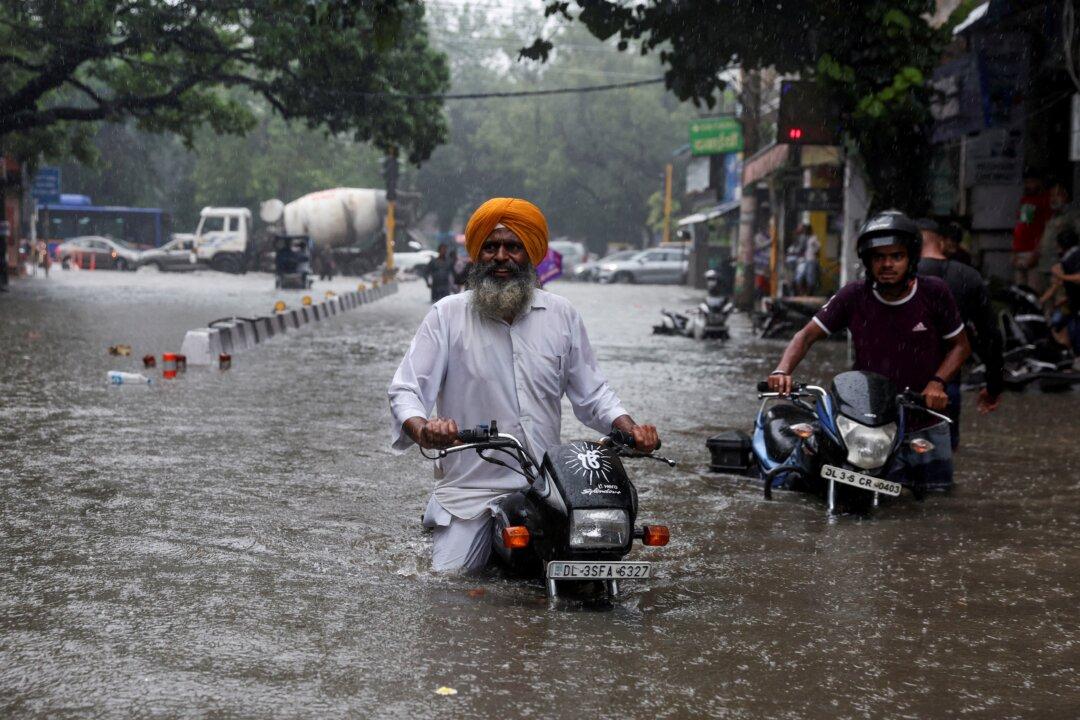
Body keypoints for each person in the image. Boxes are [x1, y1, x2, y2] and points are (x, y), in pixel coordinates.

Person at [388, 197, 660, 572]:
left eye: (513, 246)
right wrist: (424, 429)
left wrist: (631, 429)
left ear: (530, 254)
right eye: (491, 246)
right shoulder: (446, 315)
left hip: (550, 489)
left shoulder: (562, 315)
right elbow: (406, 390)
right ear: (476, 255)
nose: (502, 256)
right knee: (449, 584)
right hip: (471, 494)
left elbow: (593, 393)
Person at [766, 210, 971, 491]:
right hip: (867, 423)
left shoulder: (935, 293)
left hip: (922, 419)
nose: (887, 264)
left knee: (935, 504)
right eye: (879, 257)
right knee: (844, 494)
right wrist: (782, 370)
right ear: (868, 261)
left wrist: (937, 384)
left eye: (896, 256)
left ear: (911, 258)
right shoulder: (853, 295)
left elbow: (960, 346)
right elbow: (805, 336)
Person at [917, 218, 1003, 449]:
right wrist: (994, 385)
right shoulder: (968, 276)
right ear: (943, 243)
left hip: (898, 383)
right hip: (947, 383)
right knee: (943, 460)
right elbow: (991, 335)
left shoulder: (893, 277)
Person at [1040, 227, 1080, 355]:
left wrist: (1061, 276)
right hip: (1072, 304)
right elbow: (1057, 285)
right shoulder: (1067, 259)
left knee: (1073, 328)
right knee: (1058, 322)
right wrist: (1040, 300)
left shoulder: (1075, 257)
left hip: (1076, 305)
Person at [1013, 173, 1052, 291]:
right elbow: (1021, 226)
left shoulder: (1044, 201)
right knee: (1020, 290)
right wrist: (1014, 251)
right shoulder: (1025, 200)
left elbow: (1046, 229)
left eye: (1032, 182)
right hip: (1020, 250)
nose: (1029, 185)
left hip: (1033, 251)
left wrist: (1037, 252)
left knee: (1033, 290)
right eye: (1027, 182)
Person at [794, 223, 821, 295]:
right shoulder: (805, 238)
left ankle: (810, 294)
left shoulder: (813, 238)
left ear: (809, 230)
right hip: (805, 260)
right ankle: (802, 293)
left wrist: (815, 254)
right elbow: (801, 249)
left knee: (810, 278)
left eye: (806, 230)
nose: (805, 231)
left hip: (811, 259)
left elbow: (818, 248)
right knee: (800, 277)